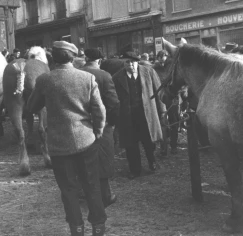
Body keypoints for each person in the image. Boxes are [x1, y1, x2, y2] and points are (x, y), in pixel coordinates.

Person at [27, 41, 107, 236]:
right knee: (92, 185)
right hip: (86, 140)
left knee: (68, 190)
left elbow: (30, 108)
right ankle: (98, 227)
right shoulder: (87, 78)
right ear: (73, 57)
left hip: (59, 144)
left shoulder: (45, 80)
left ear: (53, 57)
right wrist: (97, 131)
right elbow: (100, 111)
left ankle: (76, 229)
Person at [112, 51, 166, 180]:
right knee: (131, 144)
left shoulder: (148, 72)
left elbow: (159, 92)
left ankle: (152, 162)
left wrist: (162, 109)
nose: (130, 64)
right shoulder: (117, 77)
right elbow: (114, 98)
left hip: (146, 114)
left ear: (137, 62)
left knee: (149, 141)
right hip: (128, 116)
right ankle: (135, 169)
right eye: (127, 62)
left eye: (132, 62)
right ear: (123, 63)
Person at [80, 48, 120, 208]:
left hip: (81, 125)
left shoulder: (77, 74)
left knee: (84, 159)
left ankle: (85, 193)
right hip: (102, 125)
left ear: (86, 59)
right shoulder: (104, 75)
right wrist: (112, 122)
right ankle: (106, 195)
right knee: (103, 158)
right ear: (99, 60)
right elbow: (113, 103)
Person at [153, 50, 179, 156]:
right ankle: (164, 148)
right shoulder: (154, 69)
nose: (161, 59)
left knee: (174, 122)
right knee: (162, 123)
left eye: (163, 57)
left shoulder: (173, 68)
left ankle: (173, 146)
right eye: (159, 57)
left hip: (172, 98)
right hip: (160, 99)